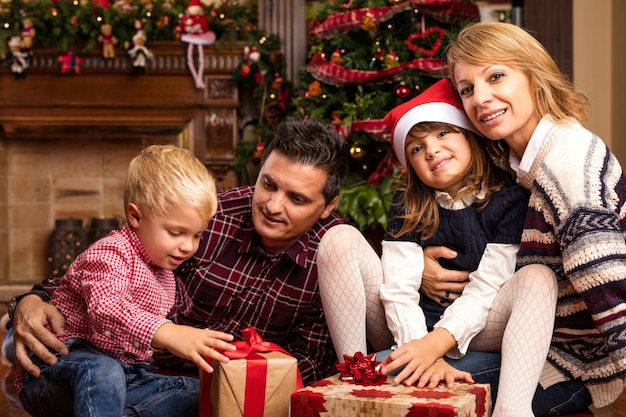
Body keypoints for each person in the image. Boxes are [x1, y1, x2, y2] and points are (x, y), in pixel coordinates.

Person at [8, 118, 364, 387]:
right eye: (268, 184)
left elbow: (309, 366)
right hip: (138, 369)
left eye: (297, 199)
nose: (272, 205)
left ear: (328, 205)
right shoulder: (211, 214)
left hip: (231, 393)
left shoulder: (335, 257)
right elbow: (98, 276)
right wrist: (28, 302)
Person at [320, 79, 557, 417]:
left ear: (469, 135)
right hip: (410, 327)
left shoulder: (508, 200)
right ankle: (356, 379)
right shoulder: (409, 201)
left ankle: (512, 410)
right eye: (416, 148)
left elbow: (488, 288)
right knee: (338, 239)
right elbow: (398, 289)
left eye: (443, 134)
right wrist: (419, 349)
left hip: (479, 327)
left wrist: (436, 346)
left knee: (537, 277)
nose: (431, 149)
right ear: (410, 164)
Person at [422, 21, 626, 414]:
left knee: (399, 377)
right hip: (525, 333)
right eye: (467, 89)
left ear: (533, 75)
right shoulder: (514, 160)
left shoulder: (563, 164)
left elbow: (612, 288)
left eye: (495, 76)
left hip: (570, 363)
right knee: (392, 363)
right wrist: (420, 265)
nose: (481, 98)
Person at [19, 144, 236, 416]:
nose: (188, 246)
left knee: (194, 393)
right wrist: (167, 332)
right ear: (135, 216)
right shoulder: (110, 253)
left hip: (126, 374)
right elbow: (106, 308)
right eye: (175, 232)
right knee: (102, 371)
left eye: (196, 235)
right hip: (60, 367)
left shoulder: (164, 272)